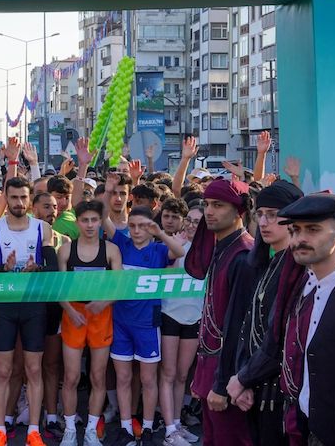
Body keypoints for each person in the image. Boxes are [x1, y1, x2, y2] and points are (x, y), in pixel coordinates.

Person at [102, 174, 186, 446]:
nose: (136, 230)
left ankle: (147, 428)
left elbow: (179, 252)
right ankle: (126, 427)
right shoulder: (121, 243)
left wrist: (159, 232)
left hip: (148, 324)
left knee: (149, 379)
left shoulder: (160, 250)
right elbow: (103, 216)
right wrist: (109, 190)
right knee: (124, 377)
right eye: (133, 225)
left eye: (142, 226)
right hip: (120, 322)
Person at [273, 194, 335, 444]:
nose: (300, 239)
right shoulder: (306, 285)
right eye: (295, 230)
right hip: (303, 427)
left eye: (312, 230)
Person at [0, 176, 59, 446]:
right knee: (3, 370)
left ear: (30, 199)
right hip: (3, 306)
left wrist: (37, 268)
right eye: (13, 197)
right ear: (7, 197)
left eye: (23, 197)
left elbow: (53, 269)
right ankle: (0, 430)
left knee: (33, 370)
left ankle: (33, 431)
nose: (19, 202)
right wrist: (3, 268)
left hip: (34, 306)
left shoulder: (42, 228)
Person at [224, 180, 303, 446]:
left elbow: (279, 338)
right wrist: (243, 378)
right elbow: (247, 328)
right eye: (260, 214)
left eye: (273, 214)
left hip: (280, 393)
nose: (264, 222)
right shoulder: (267, 262)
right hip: (255, 387)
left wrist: (244, 378)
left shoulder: (298, 269)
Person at [184, 178, 254, 446]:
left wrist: (223, 384)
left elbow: (239, 329)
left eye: (218, 205)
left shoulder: (243, 256)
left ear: (239, 210)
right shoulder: (223, 248)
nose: (209, 211)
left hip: (229, 375)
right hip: (212, 369)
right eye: (207, 204)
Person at [58, 200, 122, 446]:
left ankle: (91, 430)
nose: (90, 225)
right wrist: (69, 309)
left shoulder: (111, 250)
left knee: (98, 376)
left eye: (94, 220)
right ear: (77, 222)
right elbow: (59, 288)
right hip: (73, 313)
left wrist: (103, 303)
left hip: (100, 314)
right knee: (71, 376)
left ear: (100, 222)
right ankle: (70, 430)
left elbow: (119, 288)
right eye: (85, 220)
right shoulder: (66, 250)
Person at [159, 204, 204, 446]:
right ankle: (169, 430)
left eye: (197, 221)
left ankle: (177, 423)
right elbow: (168, 275)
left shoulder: (211, 249)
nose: (191, 225)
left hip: (194, 317)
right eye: (189, 219)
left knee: (182, 375)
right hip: (169, 314)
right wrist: (175, 248)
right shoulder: (175, 245)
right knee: (168, 373)